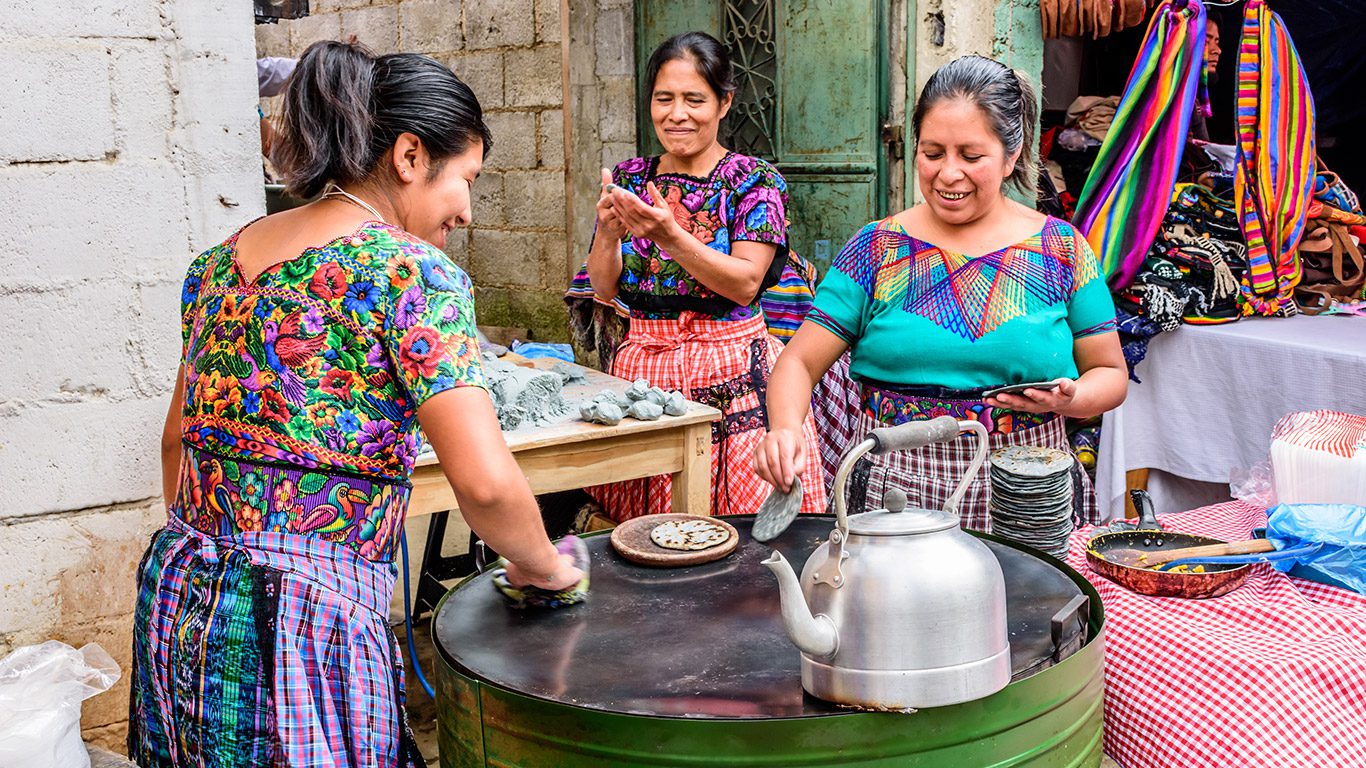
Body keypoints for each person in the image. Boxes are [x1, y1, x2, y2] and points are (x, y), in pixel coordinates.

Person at [129, 40, 585, 767]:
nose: (465, 211)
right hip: (306, 623)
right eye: (465, 179)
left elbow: (177, 440)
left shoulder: (217, 263)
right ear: (409, 156)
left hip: (181, 593)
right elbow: (486, 482)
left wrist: (222, 554)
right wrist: (546, 567)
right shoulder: (409, 272)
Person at [754, 55, 1127, 530]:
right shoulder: (876, 248)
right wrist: (784, 430)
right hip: (895, 488)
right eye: (933, 153)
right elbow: (798, 362)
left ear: (1012, 155)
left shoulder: (1062, 247)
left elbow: (1110, 373)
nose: (949, 174)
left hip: (1031, 490)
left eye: (971, 156)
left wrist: (1070, 399)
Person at [581, 31, 825, 520]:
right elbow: (605, 288)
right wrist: (608, 233)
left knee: (739, 535)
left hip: (732, 370)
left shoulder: (754, 182)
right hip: (644, 372)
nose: (677, 114)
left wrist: (671, 237)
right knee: (648, 534)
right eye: (664, 99)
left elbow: (745, 282)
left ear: (724, 102)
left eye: (694, 99)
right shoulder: (631, 177)